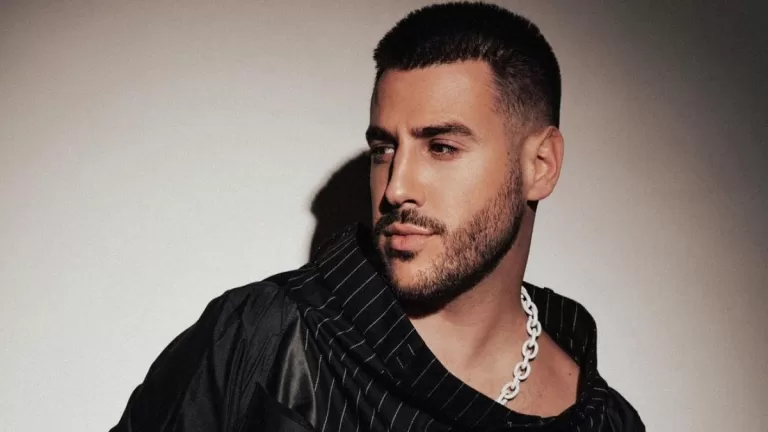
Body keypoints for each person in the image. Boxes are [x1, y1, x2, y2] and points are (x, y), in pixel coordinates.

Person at [111, 2, 643, 431]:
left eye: (441, 147)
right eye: (384, 149)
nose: (396, 188)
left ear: (540, 165)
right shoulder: (264, 335)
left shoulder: (603, 419)